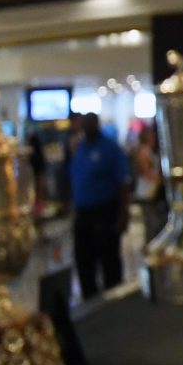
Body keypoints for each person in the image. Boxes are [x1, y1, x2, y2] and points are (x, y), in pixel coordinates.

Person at [67, 109, 130, 298]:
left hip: (104, 210)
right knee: (84, 259)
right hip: (83, 212)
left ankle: (114, 296)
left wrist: (123, 214)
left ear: (96, 125)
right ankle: (89, 297)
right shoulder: (80, 149)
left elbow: (123, 183)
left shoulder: (110, 148)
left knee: (108, 257)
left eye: (88, 124)